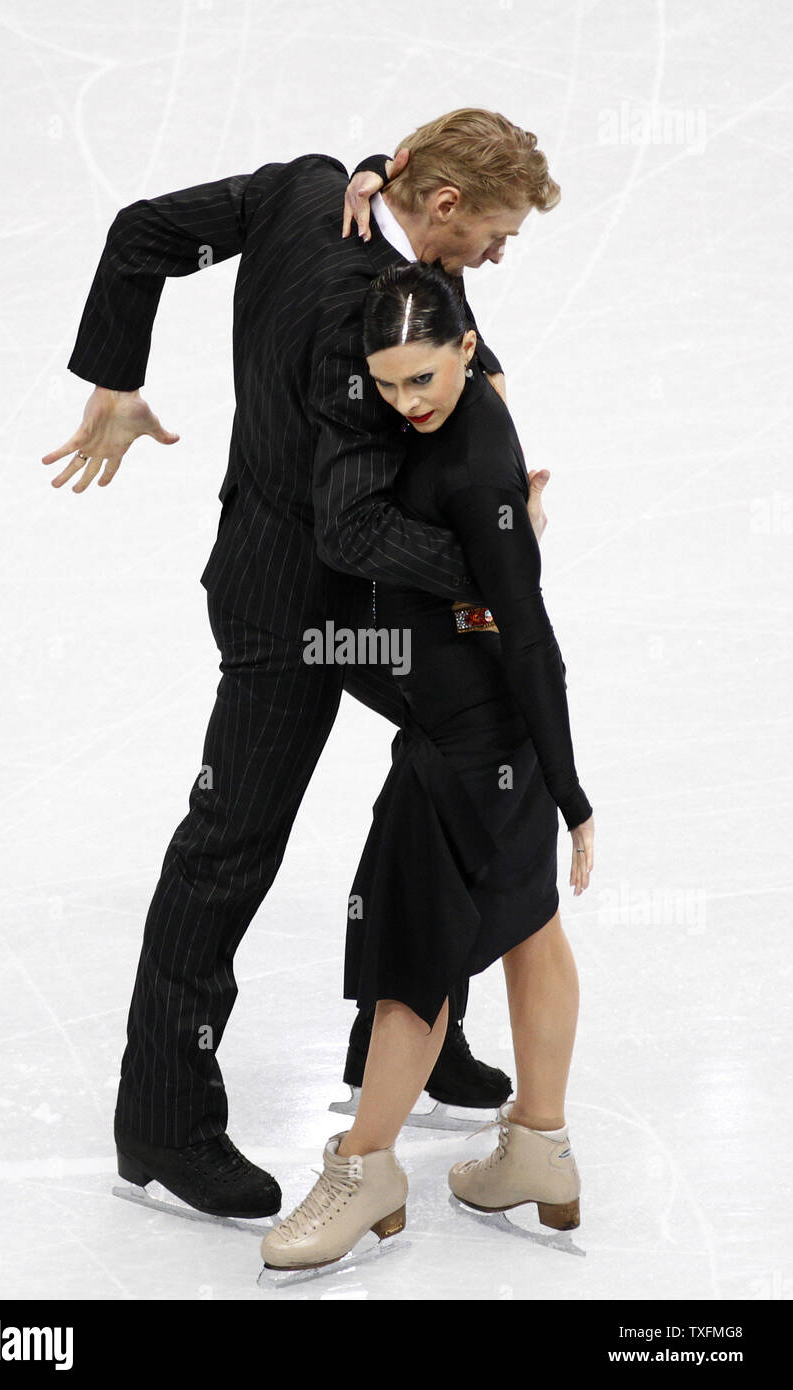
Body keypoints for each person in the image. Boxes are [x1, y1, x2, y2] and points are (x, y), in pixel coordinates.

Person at [41, 108, 553, 1221]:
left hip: (339, 598)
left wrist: (115, 374)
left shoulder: (306, 185)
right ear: (447, 204)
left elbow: (140, 234)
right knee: (230, 845)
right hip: (302, 611)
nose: (498, 259)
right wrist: (489, 560)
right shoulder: (359, 316)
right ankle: (164, 1118)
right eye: (496, 236)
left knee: (457, 746)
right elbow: (354, 534)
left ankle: (406, 1024)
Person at [261, 259, 594, 1271]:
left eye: (424, 381)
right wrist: (372, 169)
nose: (406, 403)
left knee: (411, 954)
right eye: (388, 383)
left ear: (466, 352)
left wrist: (573, 794)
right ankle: (537, 1149)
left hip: (465, 740)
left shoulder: (477, 469)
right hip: (492, 730)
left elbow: (527, 631)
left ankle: (367, 1170)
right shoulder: (460, 385)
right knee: (530, 923)